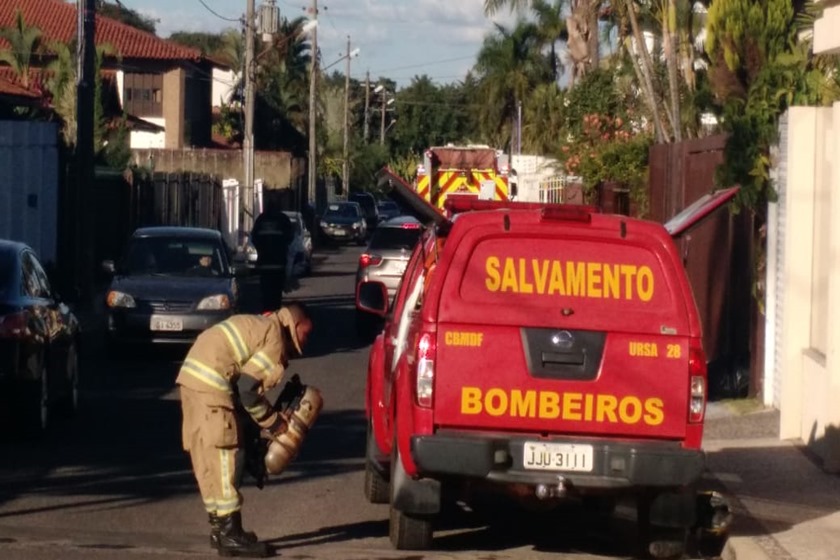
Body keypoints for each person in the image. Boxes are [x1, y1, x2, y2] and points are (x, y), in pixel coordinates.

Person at [176, 304, 314, 557]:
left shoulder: (260, 324)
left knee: (207, 459)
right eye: (308, 332)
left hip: (192, 380)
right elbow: (248, 390)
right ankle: (231, 534)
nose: (307, 341)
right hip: (212, 385)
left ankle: (220, 530)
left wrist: (251, 424)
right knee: (227, 456)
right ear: (296, 324)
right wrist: (275, 423)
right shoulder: (274, 336)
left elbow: (242, 392)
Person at [251, 207, 293, 310]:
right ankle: (274, 317)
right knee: (276, 296)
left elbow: (254, 238)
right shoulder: (283, 219)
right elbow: (290, 238)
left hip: (264, 264)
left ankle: (267, 318)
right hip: (279, 265)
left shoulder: (261, 219)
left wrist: (261, 250)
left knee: (266, 296)